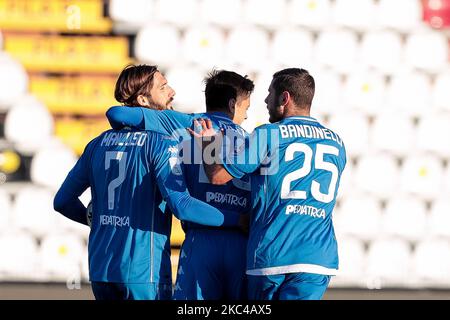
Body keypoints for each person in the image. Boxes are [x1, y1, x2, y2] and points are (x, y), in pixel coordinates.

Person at [53, 64, 236, 300]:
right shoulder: (161, 143)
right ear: (143, 100)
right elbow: (182, 206)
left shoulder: (96, 144)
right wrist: (236, 220)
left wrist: (95, 219)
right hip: (142, 271)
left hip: (101, 269)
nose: (172, 92)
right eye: (163, 87)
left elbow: (62, 201)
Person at [191, 68, 347, 300]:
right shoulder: (337, 143)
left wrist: (207, 145)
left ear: (284, 98)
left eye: (269, 93)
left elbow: (217, 176)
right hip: (317, 259)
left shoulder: (268, 134)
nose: (265, 100)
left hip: (273, 254)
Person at [105, 70, 255, 300]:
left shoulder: (185, 123)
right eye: (246, 108)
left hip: (201, 240)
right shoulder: (254, 140)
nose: (245, 116)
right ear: (233, 104)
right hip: (242, 244)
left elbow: (117, 113)